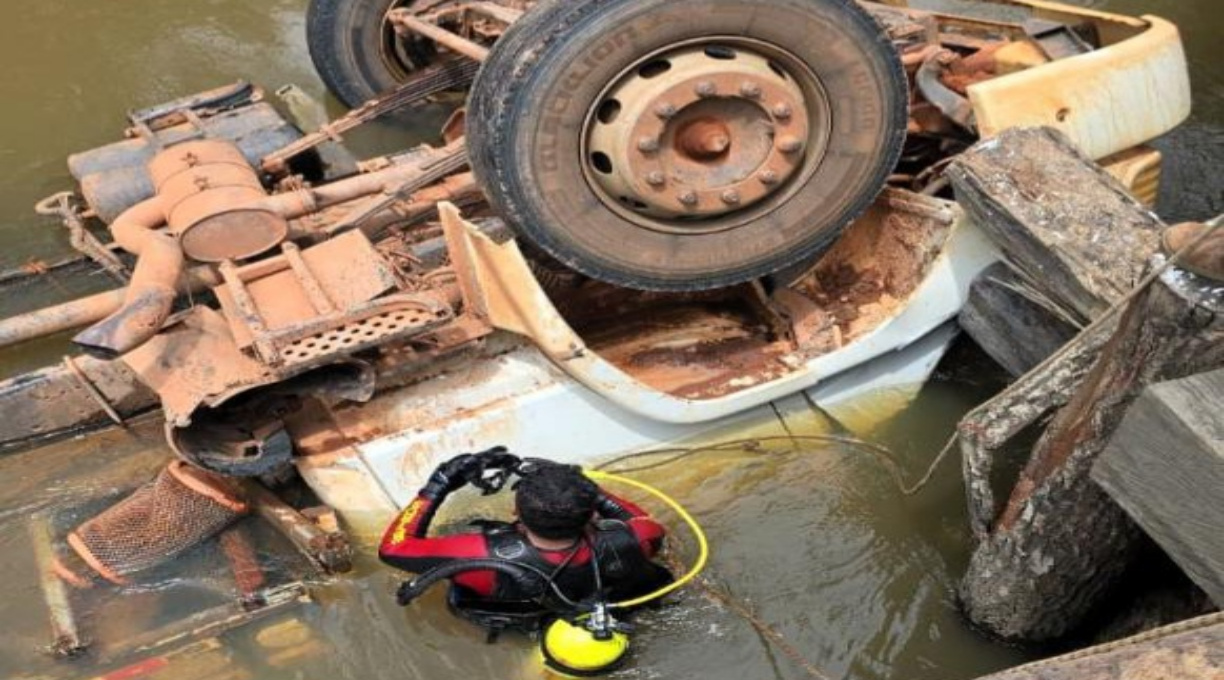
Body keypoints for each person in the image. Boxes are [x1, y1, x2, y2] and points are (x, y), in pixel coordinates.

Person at [378, 450, 674, 639]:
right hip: (601, 610)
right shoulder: (638, 539)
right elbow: (637, 518)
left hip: (515, 625)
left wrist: (438, 485)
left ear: (516, 512)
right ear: (592, 513)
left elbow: (393, 548)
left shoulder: (474, 554)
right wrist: (580, 487)